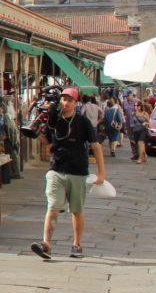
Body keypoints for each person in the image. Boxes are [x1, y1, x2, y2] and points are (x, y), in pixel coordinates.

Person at [31, 88, 106, 260]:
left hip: (78, 171)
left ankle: (77, 244)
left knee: (77, 210)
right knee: (53, 206)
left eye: (69, 100)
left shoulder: (82, 121)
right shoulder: (53, 120)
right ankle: (46, 244)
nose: (65, 103)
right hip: (56, 169)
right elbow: (46, 141)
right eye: (63, 99)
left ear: (76, 103)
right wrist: (38, 131)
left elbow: (95, 146)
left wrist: (101, 172)